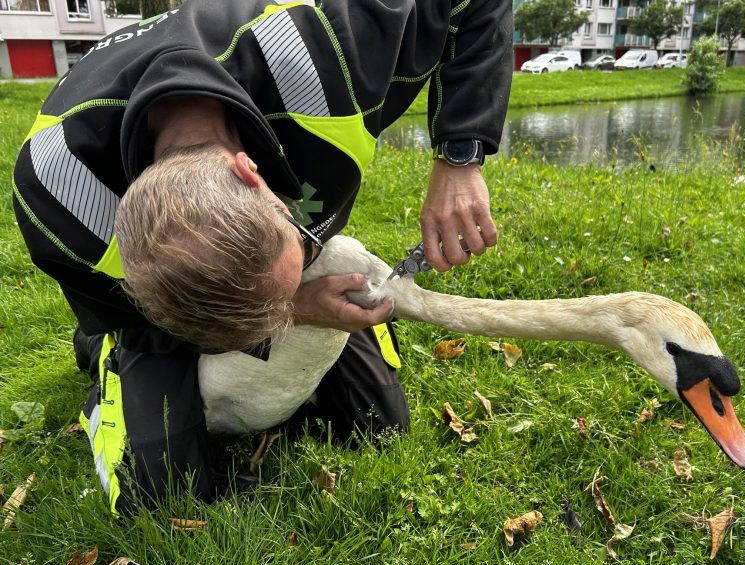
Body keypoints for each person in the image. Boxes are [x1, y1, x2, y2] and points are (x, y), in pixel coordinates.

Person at [13, 0, 511, 515]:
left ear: (254, 172)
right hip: (145, 319)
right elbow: (138, 317)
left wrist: (460, 156)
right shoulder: (59, 197)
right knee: (161, 496)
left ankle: (289, 281)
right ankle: (101, 353)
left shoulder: (327, 60)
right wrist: (298, 309)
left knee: (379, 427)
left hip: (290, 126)